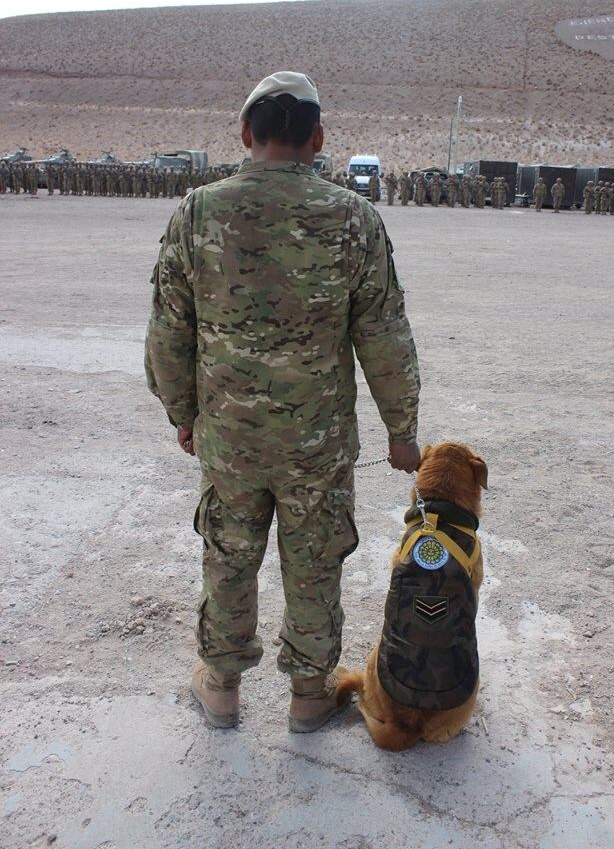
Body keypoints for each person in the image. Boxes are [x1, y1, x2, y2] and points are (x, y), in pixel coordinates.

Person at [145, 71, 421, 733]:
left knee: (229, 555)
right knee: (315, 559)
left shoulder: (198, 212)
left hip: (230, 439)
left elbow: (167, 333)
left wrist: (184, 414)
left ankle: (220, 686)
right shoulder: (353, 219)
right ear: (318, 138)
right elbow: (384, 335)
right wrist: (402, 431)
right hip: (316, 445)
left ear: (246, 135)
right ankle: (307, 694)